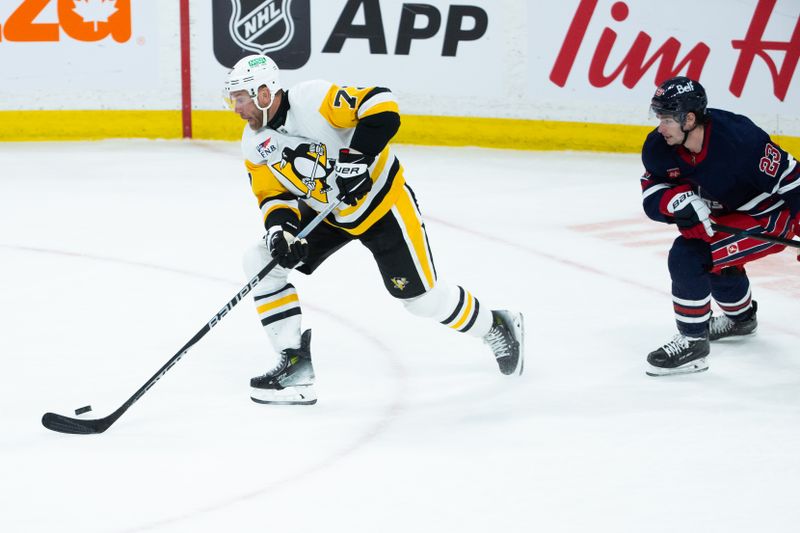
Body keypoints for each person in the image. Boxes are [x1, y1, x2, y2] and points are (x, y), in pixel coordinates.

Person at [223, 55, 525, 404]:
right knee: (262, 262)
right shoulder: (254, 143)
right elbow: (273, 195)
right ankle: (295, 366)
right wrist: (282, 232)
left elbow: (381, 103)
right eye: (233, 99)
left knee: (421, 300)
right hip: (329, 213)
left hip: (383, 205)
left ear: (264, 92)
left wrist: (358, 158)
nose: (236, 108)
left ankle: (496, 325)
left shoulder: (313, 98)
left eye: (241, 98)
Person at [640, 76, 799, 376]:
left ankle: (693, 343)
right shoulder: (659, 147)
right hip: (727, 217)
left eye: (667, 119)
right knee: (715, 257)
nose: (660, 127)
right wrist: (672, 201)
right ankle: (741, 319)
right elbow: (652, 190)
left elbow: (794, 180)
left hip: (769, 216)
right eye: (658, 117)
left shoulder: (741, 139)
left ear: (689, 118)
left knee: (689, 255)